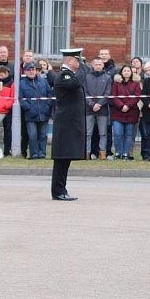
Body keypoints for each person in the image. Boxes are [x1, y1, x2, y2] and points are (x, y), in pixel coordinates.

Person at [51, 48, 86, 200]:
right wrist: (84, 68)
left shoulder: (70, 75)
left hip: (70, 122)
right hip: (65, 122)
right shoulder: (64, 75)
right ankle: (58, 191)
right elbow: (76, 83)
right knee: (62, 157)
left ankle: (61, 189)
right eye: (78, 61)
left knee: (65, 158)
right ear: (69, 61)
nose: (81, 64)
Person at [19, 62, 53, 159]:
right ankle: (34, 154)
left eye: (33, 70)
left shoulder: (43, 81)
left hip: (43, 112)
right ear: (25, 71)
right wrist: (28, 108)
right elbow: (21, 98)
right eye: (29, 70)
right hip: (30, 114)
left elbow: (50, 95)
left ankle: (42, 153)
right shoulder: (22, 83)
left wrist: (47, 106)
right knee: (32, 135)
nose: (31, 72)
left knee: (43, 135)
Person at [111, 65, 141, 160]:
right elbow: (114, 96)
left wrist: (127, 105)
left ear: (131, 72)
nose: (126, 72)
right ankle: (118, 152)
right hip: (118, 112)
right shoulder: (116, 83)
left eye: (128, 71)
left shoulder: (136, 84)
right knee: (117, 133)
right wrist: (121, 105)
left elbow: (137, 97)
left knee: (129, 135)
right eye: (124, 70)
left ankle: (125, 153)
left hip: (131, 112)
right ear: (121, 72)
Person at [85, 57, 113, 159]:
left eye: (99, 64)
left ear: (103, 65)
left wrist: (100, 104)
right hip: (89, 109)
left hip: (102, 109)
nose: (97, 66)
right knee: (88, 133)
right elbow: (84, 93)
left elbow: (108, 93)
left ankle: (102, 153)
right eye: (96, 64)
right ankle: (87, 153)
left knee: (103, 133)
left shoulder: (107, 78)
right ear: (92, 65)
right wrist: (92, 104)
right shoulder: (86, 77)